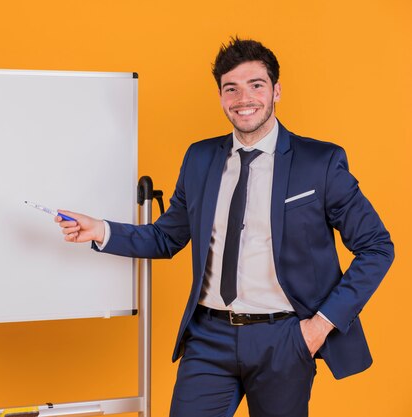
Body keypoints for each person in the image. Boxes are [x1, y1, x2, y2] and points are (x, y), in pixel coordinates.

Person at [55, 37, 394, 417]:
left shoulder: (320, 162)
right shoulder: (200, 159)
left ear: (276, 91)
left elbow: (378, 247)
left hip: (285, 338)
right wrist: (100, 230)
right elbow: (167, 237)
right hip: (208, 337)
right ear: (220, 96)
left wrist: (317, 328)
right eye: (231, 88)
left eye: (256, 85)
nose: (243, 98)